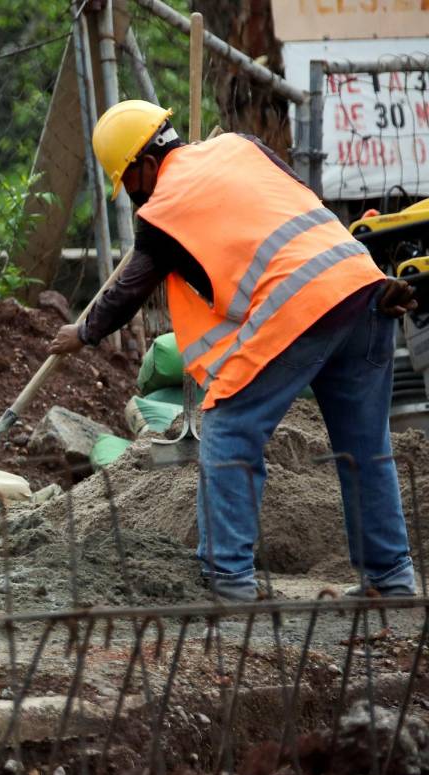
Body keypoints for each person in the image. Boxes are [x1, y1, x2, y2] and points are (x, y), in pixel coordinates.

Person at [47, 99, 418, 601]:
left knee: (226, 427)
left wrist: (83, 333)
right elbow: (293, 199)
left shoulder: (161, 213)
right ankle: (391, 577)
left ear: (147, 166)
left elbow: (127, 290)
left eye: (129, 184)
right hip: (362, 283)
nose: (133, 198)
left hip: (300, 302)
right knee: (364, 446)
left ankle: (229, 581)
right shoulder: (240, 147)